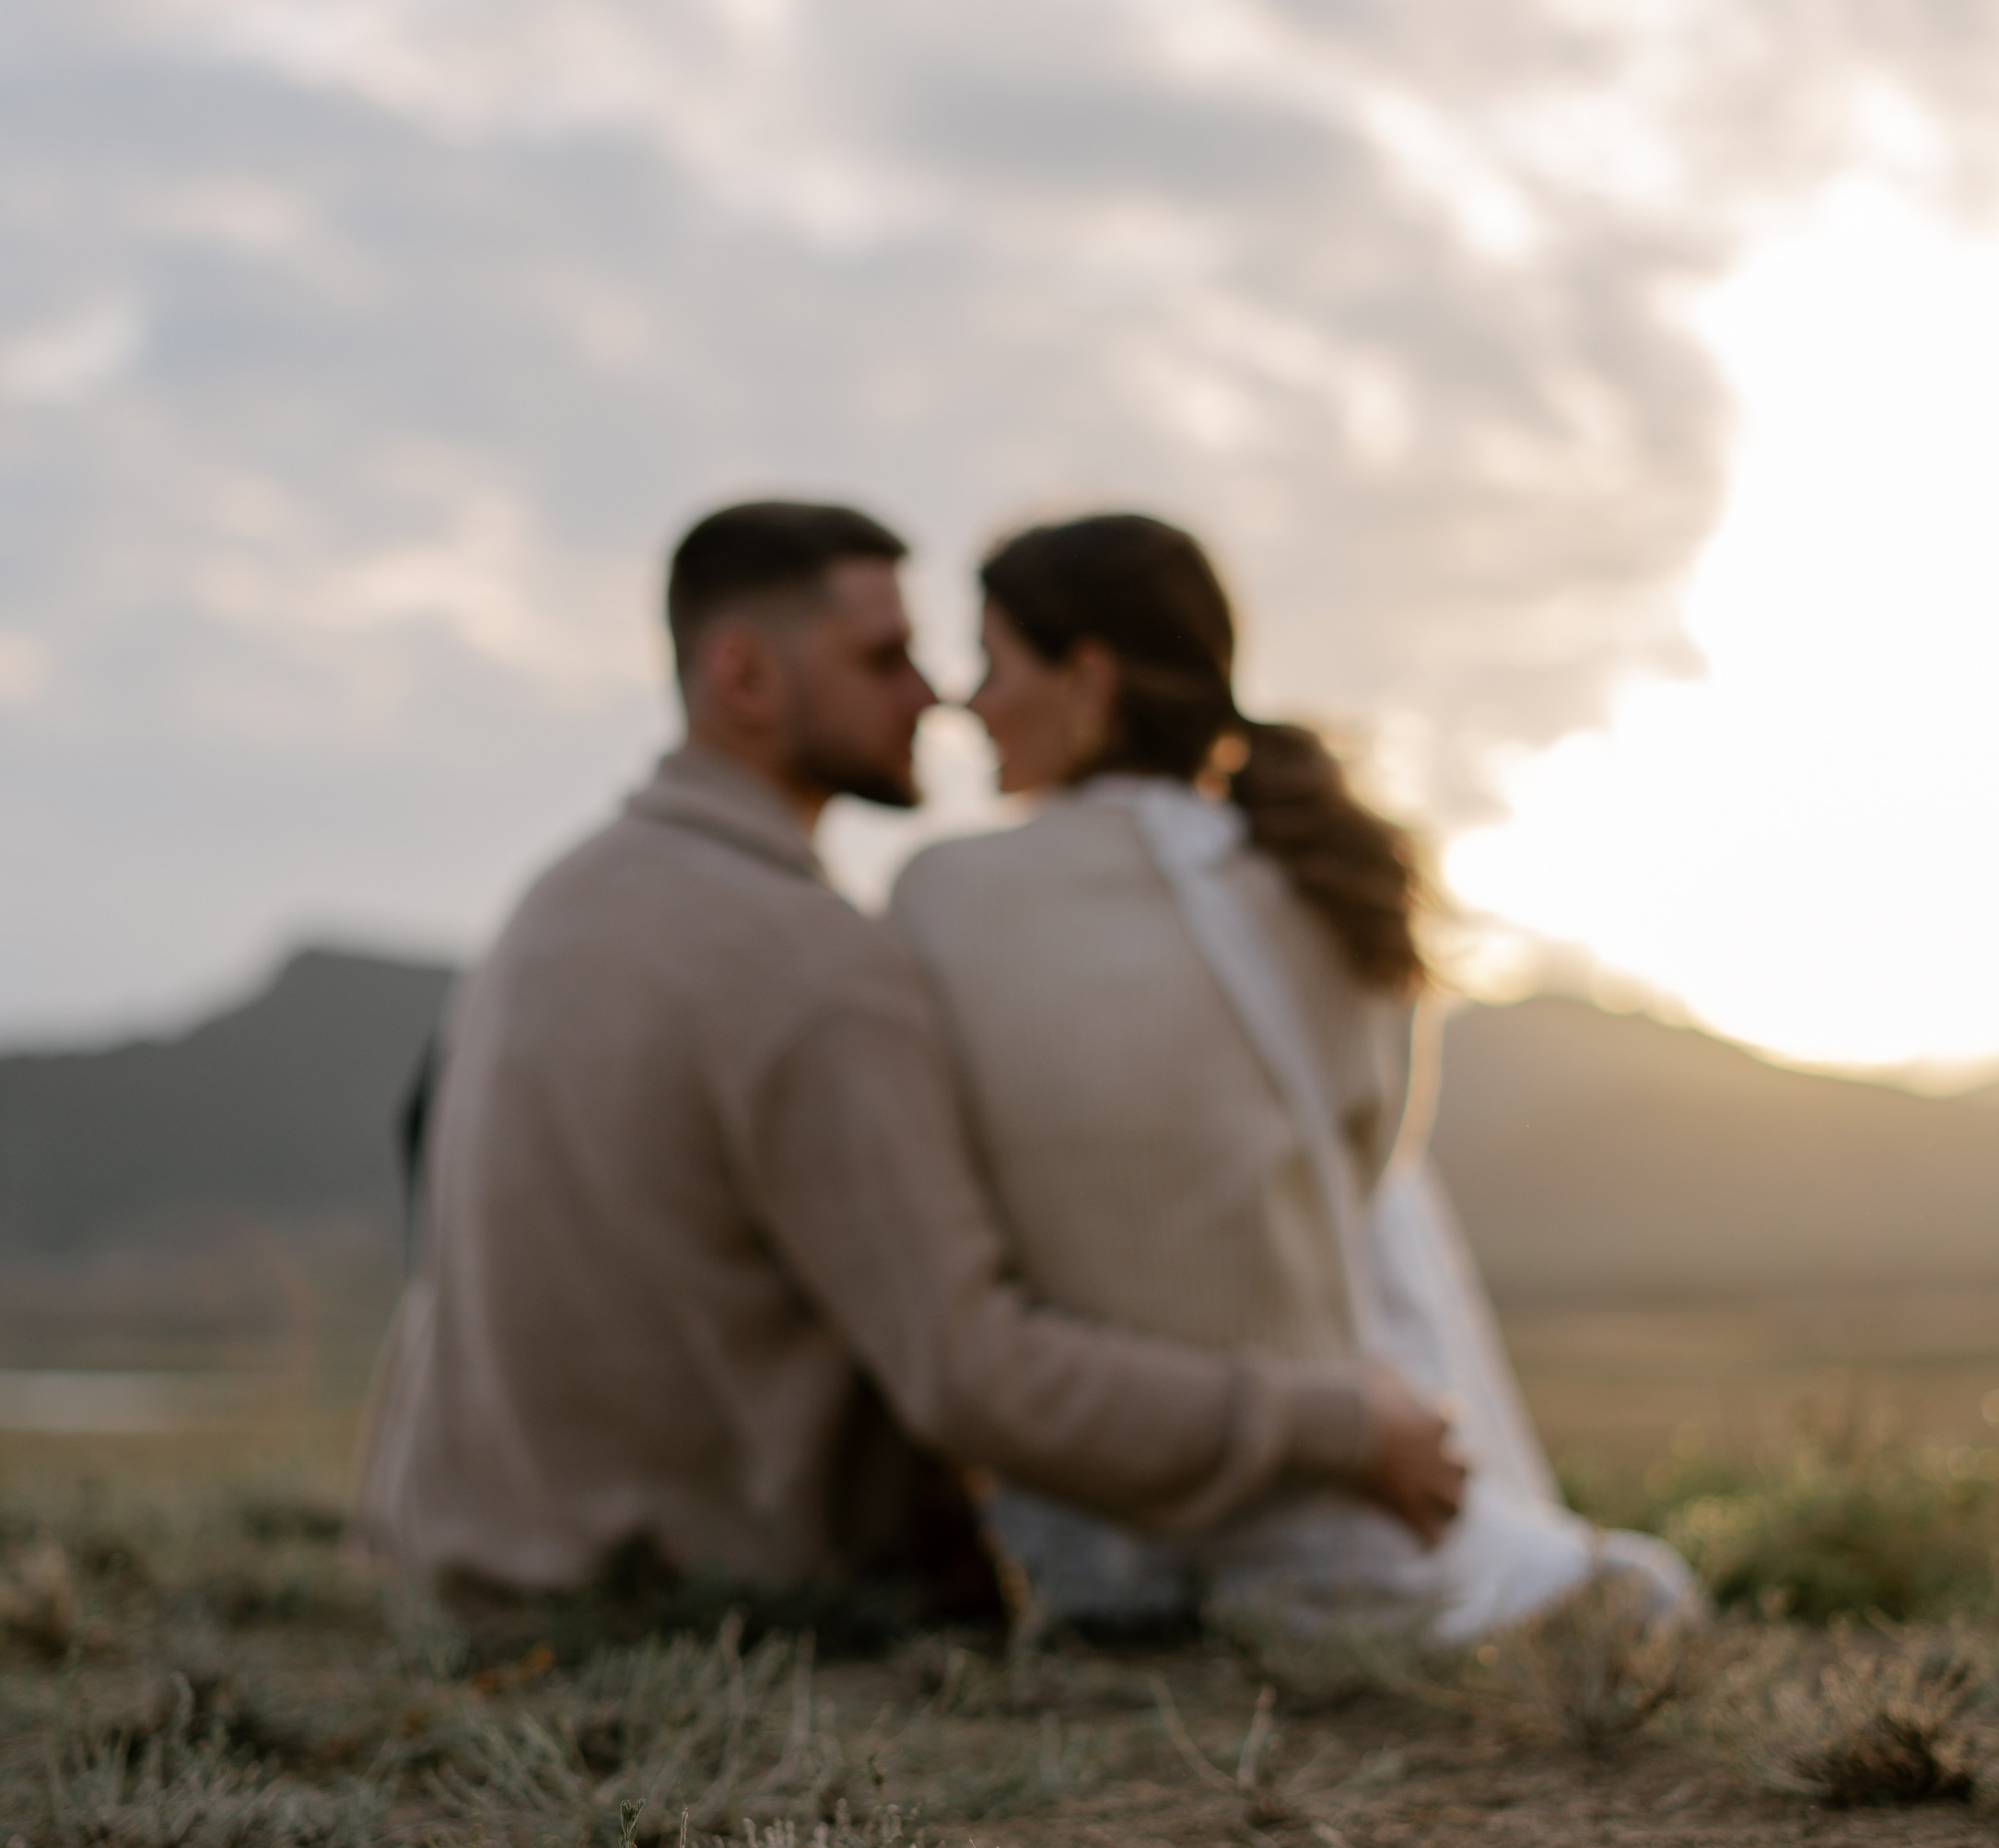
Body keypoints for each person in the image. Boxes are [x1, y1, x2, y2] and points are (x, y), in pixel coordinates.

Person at [358, 499, 1466, 1661]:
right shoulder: (808, 961)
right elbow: (974, 1377)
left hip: (469, 1579)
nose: (931, 696)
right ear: (743, 676)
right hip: (697, 1611)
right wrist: (1338, 1422)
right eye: (883, 661)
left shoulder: (555, 902)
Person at [889, 511, 1693, 1648]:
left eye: (991, 662)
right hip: (1320, 1527)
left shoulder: (937, 896)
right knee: (1648, 1591)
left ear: (1088, 675)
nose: (969, 704)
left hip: (1074, 1537)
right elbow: (1367, 1179)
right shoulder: (1328, 885)